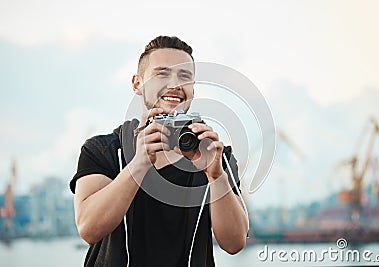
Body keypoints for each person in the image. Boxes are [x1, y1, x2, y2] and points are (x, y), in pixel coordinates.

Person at [70, 36, 248, 267]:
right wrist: (139, 163)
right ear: (137, 84)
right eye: (161, 73)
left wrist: (215, 177)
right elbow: (89, 229)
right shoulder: (103, 150)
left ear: (192, 89)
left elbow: (234, 243)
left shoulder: (214, 154)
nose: (175, 84)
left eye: (185, 76)